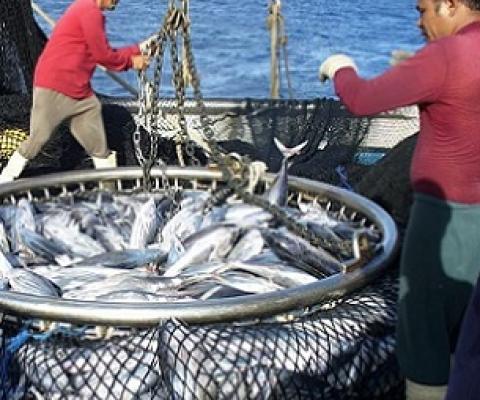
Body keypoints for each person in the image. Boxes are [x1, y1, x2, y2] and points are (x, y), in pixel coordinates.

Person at [318, 0, 480, 399]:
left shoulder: (447, 54)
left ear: (451, 4)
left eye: (423, 9)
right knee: (471, 335)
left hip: (445, 220)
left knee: (426, 334)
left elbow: (361, 99)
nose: (419, 22)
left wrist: (339, 67)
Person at [0, 0, 156, 182]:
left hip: (77, 92)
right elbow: (102, 55)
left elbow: (98, 51)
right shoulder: (89, 14)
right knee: (38, 138)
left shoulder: (86, 11)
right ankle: (5, 181)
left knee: (98, 145)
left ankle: (110, 191)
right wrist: (132, 62)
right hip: (54, 87)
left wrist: (138, 49)